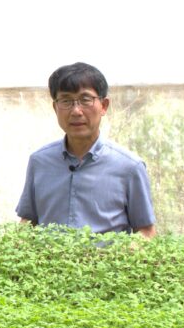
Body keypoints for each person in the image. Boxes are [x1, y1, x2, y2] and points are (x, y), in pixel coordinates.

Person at [16, 62, 156, 237]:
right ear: (55, 107)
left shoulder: (129, 167)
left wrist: (118, 258)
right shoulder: (39, 161)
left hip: (107, 263)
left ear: (104, 106)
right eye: (66, 101)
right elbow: (28, 221)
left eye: (85, 100)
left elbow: (146, 231)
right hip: (48, 264)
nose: (76, 111)